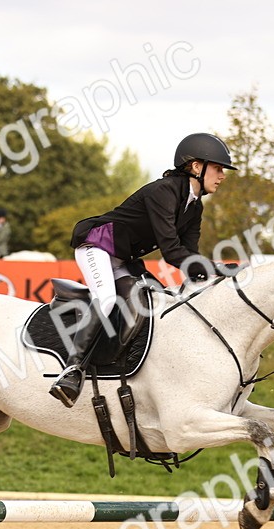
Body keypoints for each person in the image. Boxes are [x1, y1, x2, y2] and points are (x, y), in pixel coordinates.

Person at [49, 132, 236, 407]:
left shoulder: (193, 207)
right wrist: (216, 266)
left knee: (154, 300)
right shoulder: (165, 191)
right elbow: (171, 251)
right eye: (218, 168)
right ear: (197, 167)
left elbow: (189, 254)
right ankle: (72, 370)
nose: (222, 176)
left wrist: (210, 275)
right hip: (97, 246)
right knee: (107, 299)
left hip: (124, 258)